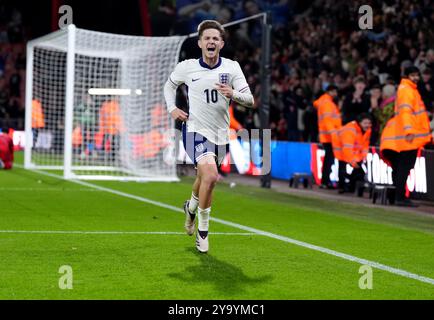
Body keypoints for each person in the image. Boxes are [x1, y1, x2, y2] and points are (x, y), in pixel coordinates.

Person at [163, 20, 254, 253]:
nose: (211, 41)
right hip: (194, 130)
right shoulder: (187, 67)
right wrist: (171, 108)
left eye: (215, 38)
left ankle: (190, 209)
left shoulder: (232, 68)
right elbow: (169, 86)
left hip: (220, 135)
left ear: (221, 43)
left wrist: (233, 93)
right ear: (200, 42)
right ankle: (203, 232)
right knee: (211, 176)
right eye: (207, 38)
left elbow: (250, 100)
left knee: (204, 178)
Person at [380, 66, 432, 207]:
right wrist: (409, 130)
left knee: (400, 167)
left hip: (406, 135)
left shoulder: (409, 89)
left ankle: (397, 196)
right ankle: (400, 197)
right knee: (404, 167)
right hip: (409, 137)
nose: (416, 78)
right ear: (407, 76)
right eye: (413, 75)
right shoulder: (407, 90)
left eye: (417, 75)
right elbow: (406, 112)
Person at [333, 113, 372, 194]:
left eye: (369, 123)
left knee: (359, 170)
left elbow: (365, 146)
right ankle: (342, 187)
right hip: (341, 148)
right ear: (359, 123)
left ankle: (351, 187)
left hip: (352, 150)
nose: (367, 125)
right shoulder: (350, 130)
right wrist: (352, 162)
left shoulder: (367, 131)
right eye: (365, 123)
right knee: (342, 166)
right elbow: (347, 148)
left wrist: (362, 158)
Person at [313, 84, 341, 189]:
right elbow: (328, 121)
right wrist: (334, 134)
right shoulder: (327, 103)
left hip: (327, 136)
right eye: (335, 92)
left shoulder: (324, 102)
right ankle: (325, 182)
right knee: (329, 160)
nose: (336, 94)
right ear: (331, 91)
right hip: (329, 136)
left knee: (328, 159)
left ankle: (325, 181)